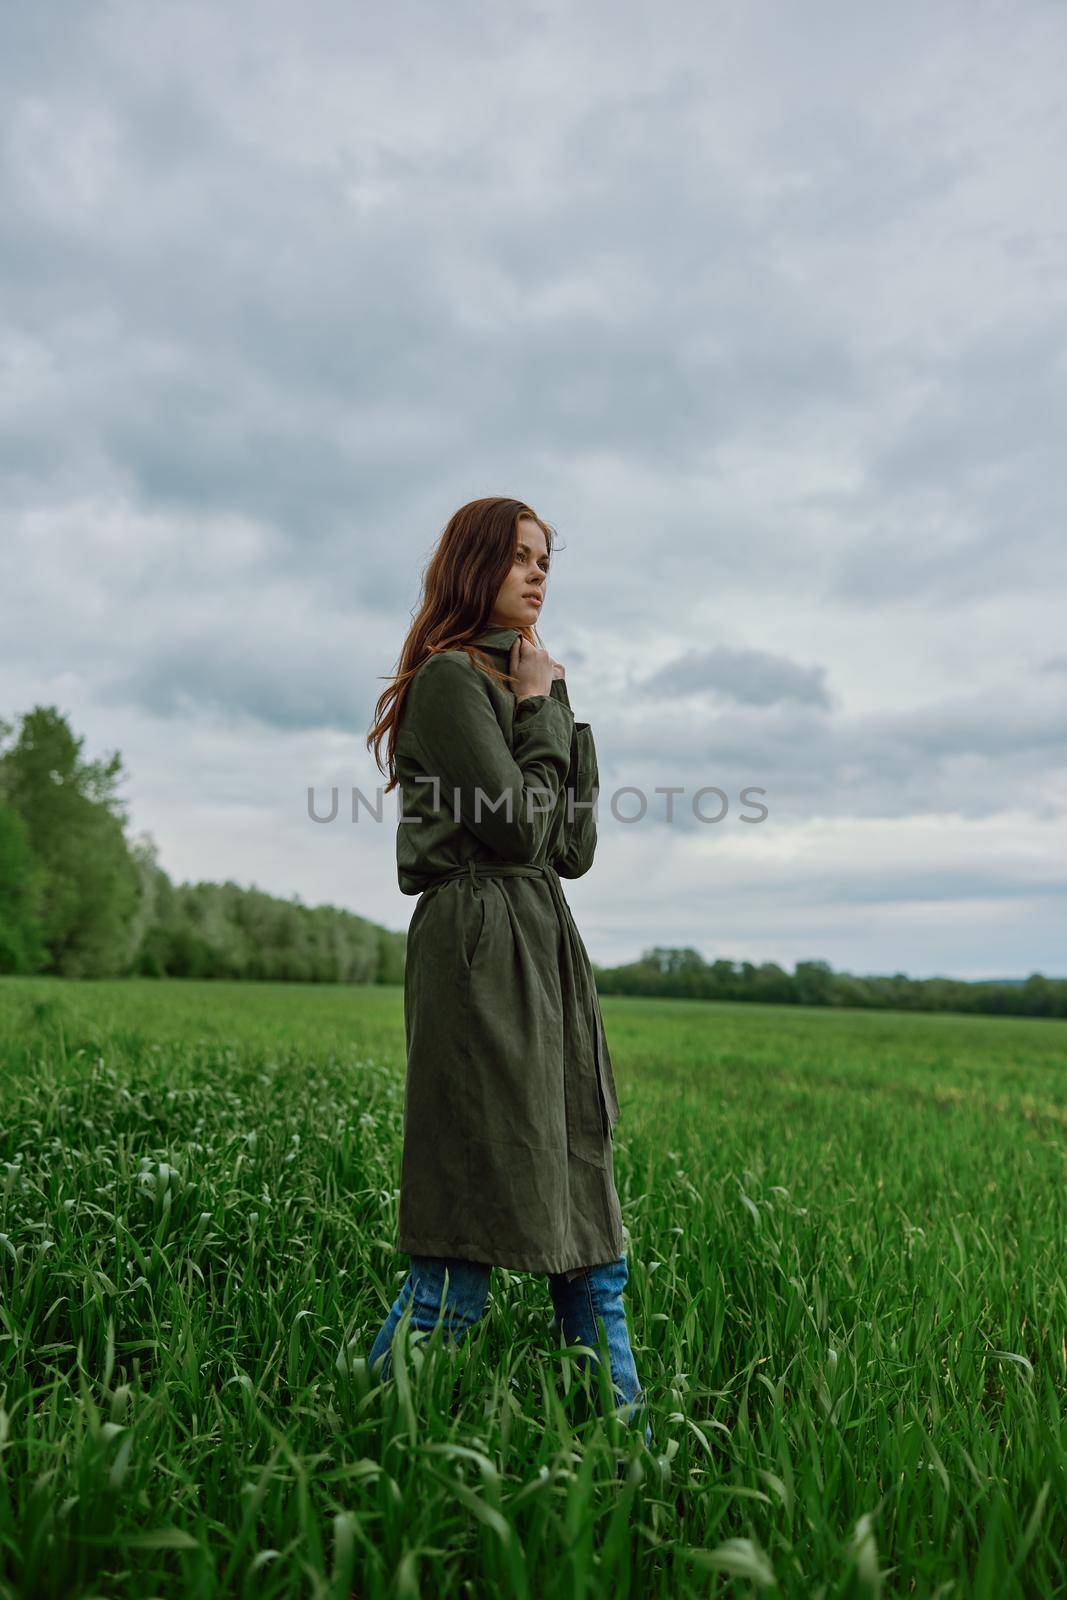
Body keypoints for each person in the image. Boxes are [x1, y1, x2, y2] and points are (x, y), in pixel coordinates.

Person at [366, 497, 651, 1450]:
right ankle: (357, 1445)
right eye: (518, 558)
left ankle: (628, 1460)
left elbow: (570, 848)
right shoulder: (450, 682)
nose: (537, 574)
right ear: (473, 565)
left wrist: (556, 707)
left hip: (543, 937)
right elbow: (519, 826)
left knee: (588, 1239)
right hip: (478, 945)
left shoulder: (525, 681)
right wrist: (535, 709)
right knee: (463, 1249)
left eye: (544, 560)